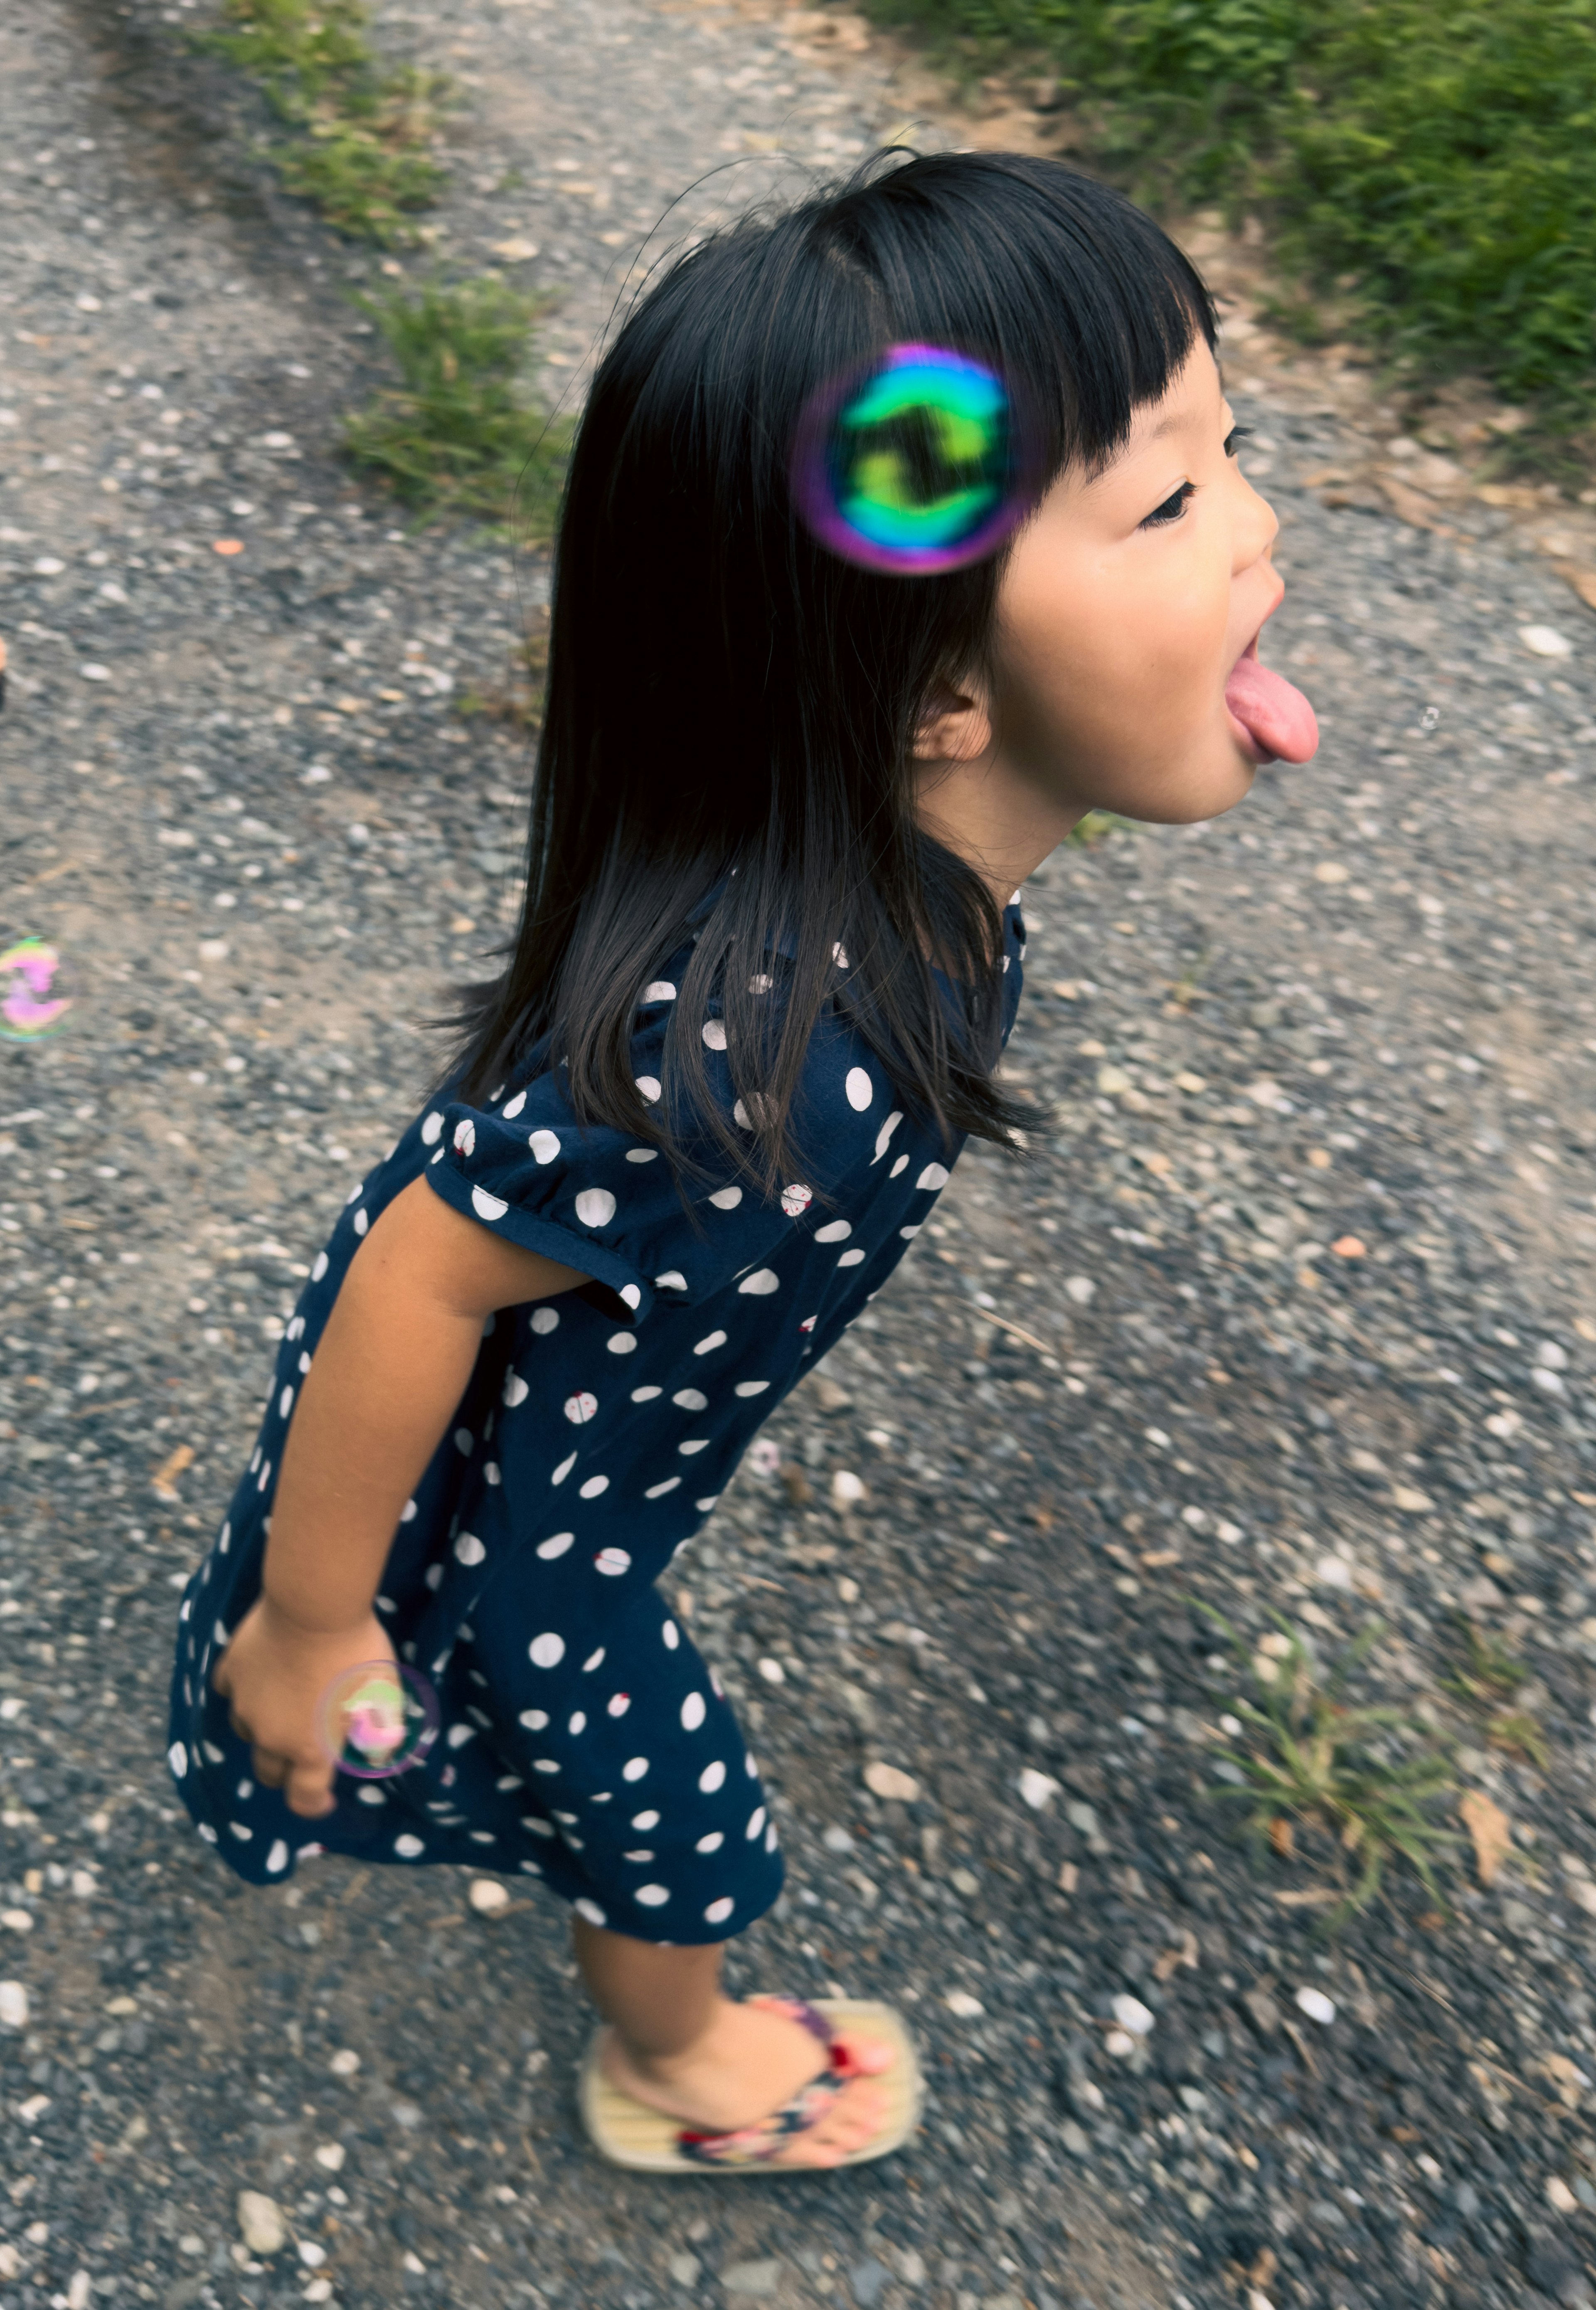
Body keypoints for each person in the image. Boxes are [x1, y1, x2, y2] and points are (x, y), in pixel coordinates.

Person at [167, 148, 1316, 2174]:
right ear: (936, 690)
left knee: (606, 1770)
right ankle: (673, 2058)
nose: (1261, 539)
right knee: (679, 1824)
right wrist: (318, 1614)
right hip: (550, 1520)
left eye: (1233, 453)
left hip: (602, 1458)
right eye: (1169, 500)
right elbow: (423, 1267)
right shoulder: (754, 1059)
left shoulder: (899, 904)